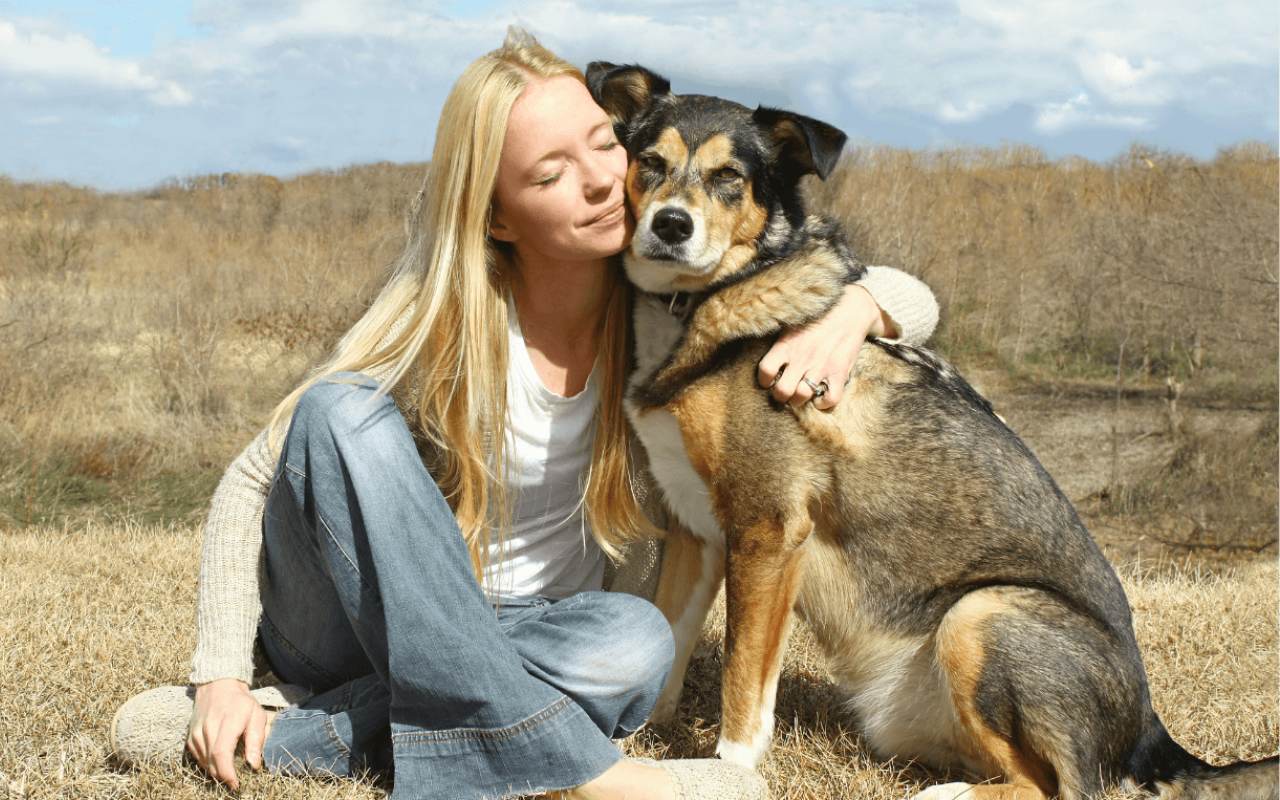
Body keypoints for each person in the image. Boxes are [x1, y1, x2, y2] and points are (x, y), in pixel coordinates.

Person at [110, 26, 940, 800]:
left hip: (544, 626)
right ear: (498, 215)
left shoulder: (655, 308)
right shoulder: (444, 309)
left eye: (603, 147)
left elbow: (905, 296)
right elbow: (258, 473)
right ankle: (594, 775)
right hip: (360, 614)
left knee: (637, 645)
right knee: (339, 412)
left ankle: (313, 732)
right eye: (548, 175)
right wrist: (220, 670)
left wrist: (855, 312)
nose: (595, 182)